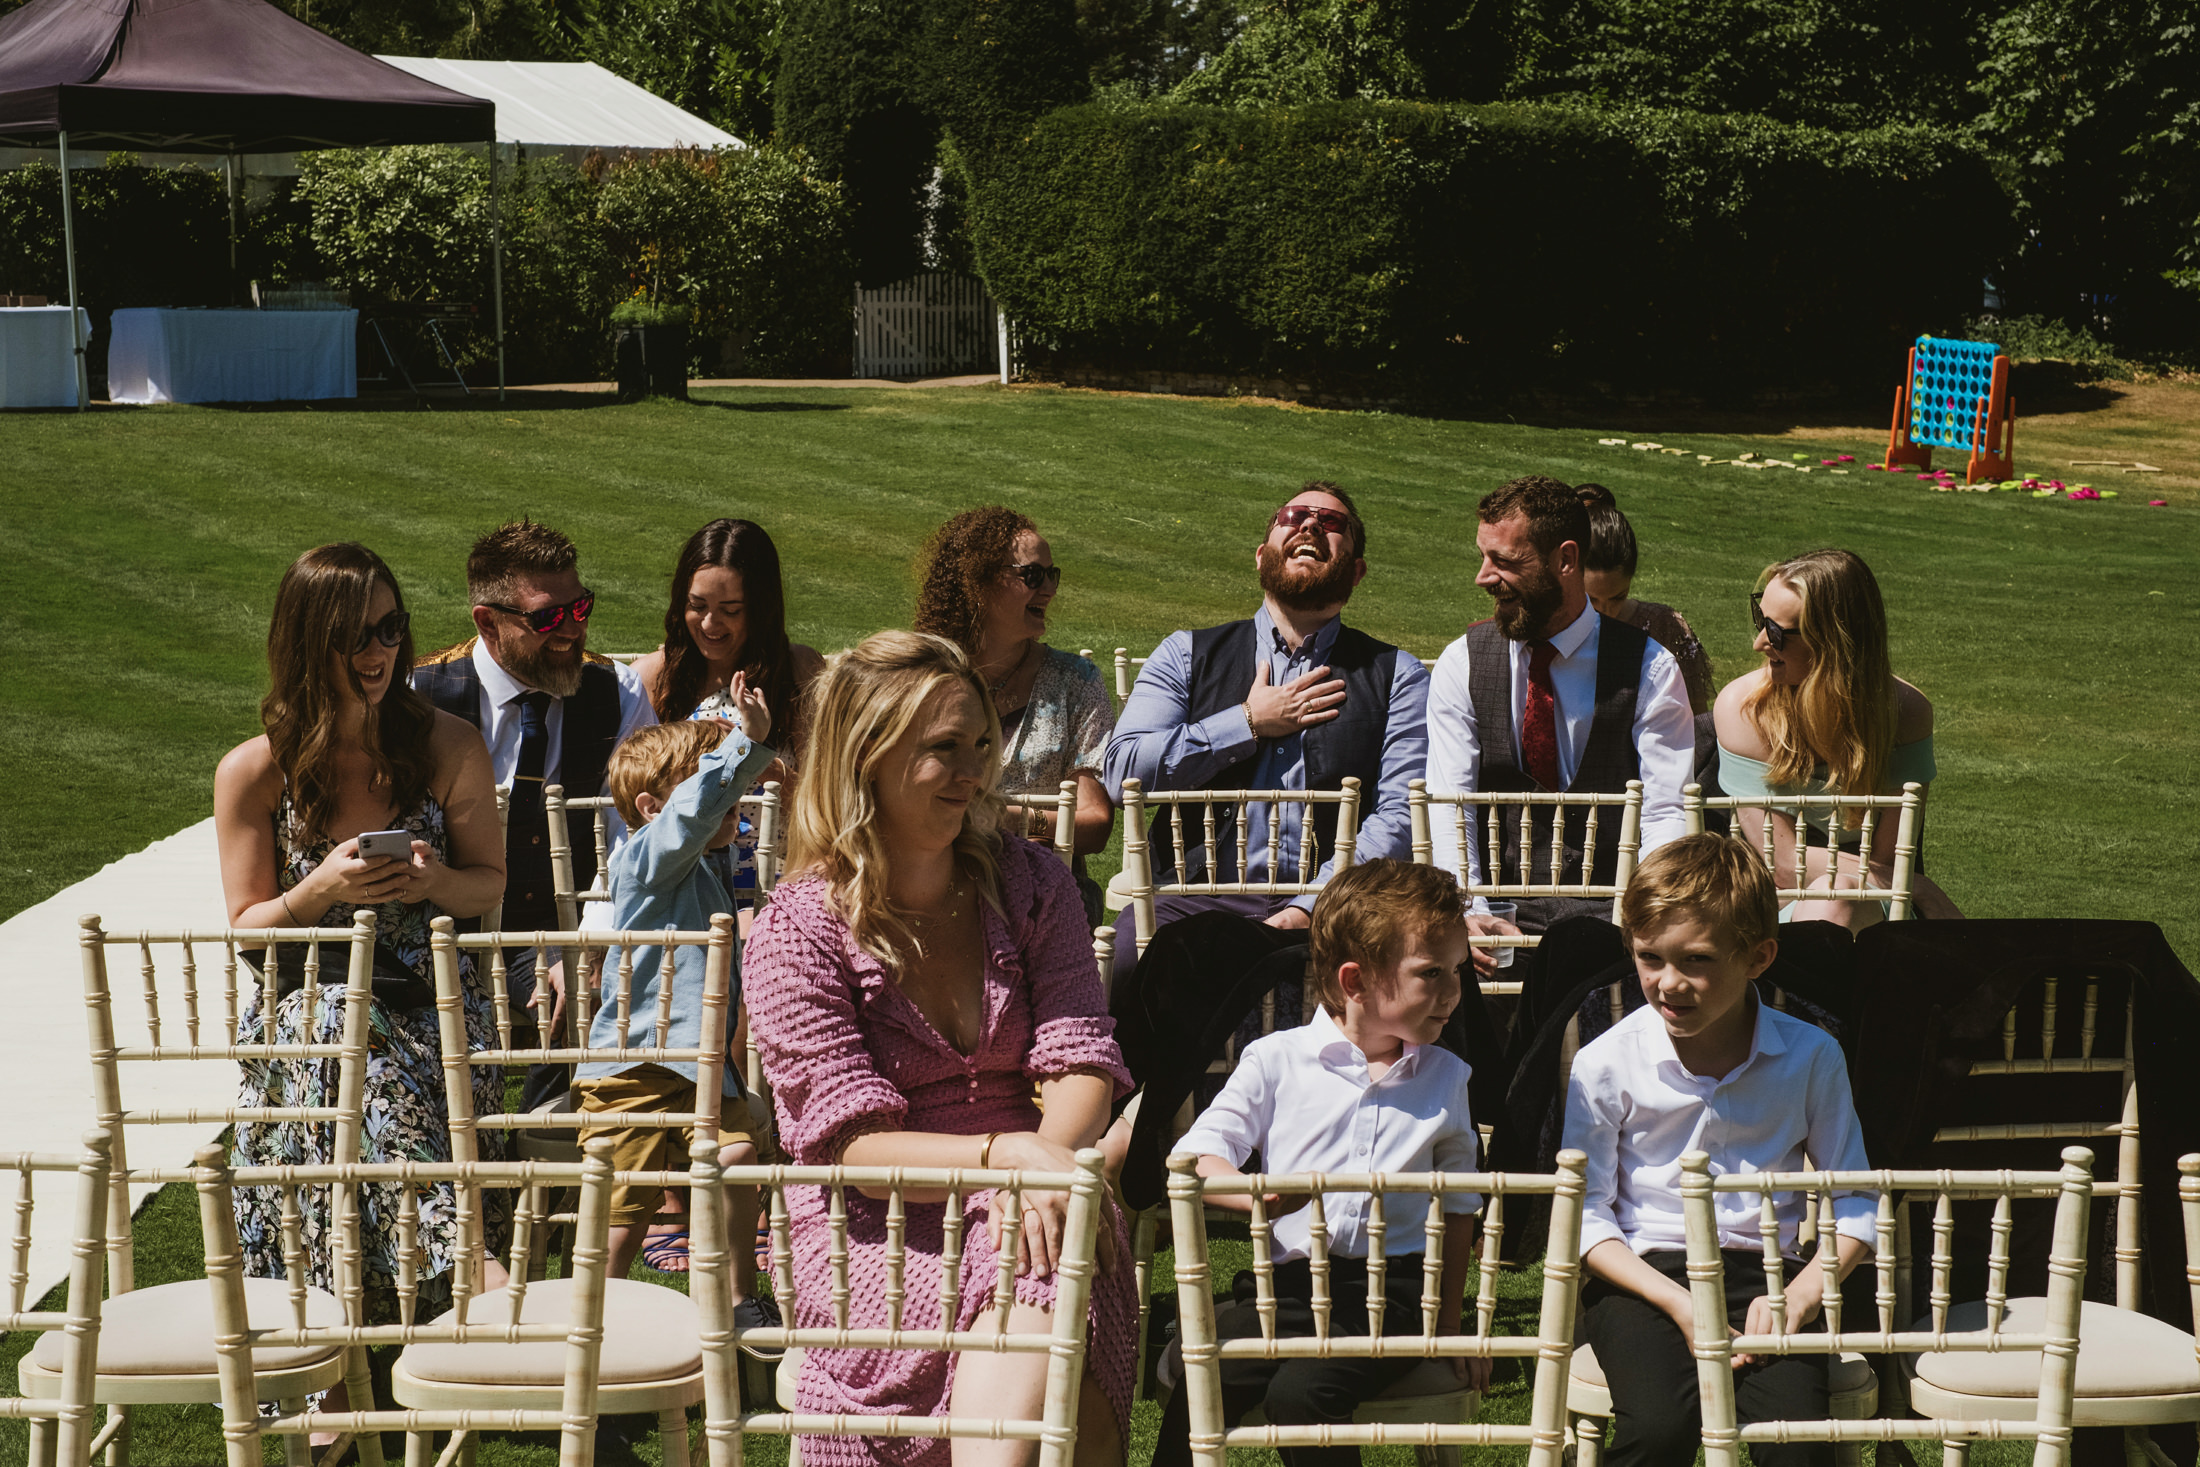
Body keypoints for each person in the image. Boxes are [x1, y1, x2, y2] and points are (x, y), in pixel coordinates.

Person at [743, 631, 1136, 1467]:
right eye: (943, 750)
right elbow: (847, 1143)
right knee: (1048, 1275)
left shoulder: (1034, 881)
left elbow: (1082, 1055)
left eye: (981, 745)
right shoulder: (798, 926)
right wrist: (1006, 1159)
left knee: (1051, 1262)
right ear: (868, 758)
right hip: (868, 1225)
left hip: (1043, 1182)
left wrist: (1039, 1165)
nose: (976, 772)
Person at [214, 544, 509, 1371]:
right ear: (310, 642)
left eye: (391, 627)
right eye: (357, 636)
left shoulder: (447, 744)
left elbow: (487, 886)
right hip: (302, 1015)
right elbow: (249, 928)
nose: (379, 652)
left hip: (436, 1018)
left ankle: (321, 1370)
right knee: (331, 1027)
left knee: (320, 1083)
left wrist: (431, 878)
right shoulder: (252, 771)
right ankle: (468, 1264)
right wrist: (323, 887)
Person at [1152, 859, 1488, 1467]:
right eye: (1431, 974)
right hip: (1285, 1288)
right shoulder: (1276, 1060)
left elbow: (1460, 1205)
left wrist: (1454, 1319)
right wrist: (1260, 1196)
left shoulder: (1447, 1078)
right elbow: (1194, 1160)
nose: (1453, 993)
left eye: (1457, 971)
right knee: (1211, 1378)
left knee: (1303, 1396)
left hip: (1397, 1295)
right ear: (1356, 981)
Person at [1562, 833, 1875, 1467]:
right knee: (1657, 1431)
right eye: (1649, 957)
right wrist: (1678, 1302)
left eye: (1697, 961)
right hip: (1644, 1279)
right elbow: (1584, 1216)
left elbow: (1857, 1198)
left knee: (1795, 1448)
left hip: (1769, 1280)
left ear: (1759, 957)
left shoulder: (1812, 1055)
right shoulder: (1605, 1063)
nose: (1668, 984)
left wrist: (1804, 1294)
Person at [1102, 481, 1430, 990]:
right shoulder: (1186, 654)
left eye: (1332, 523)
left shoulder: (1398, 675)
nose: (1310, 525)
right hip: (1195, 893)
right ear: (1261, 557)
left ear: (1358, 571)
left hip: (1340, 903)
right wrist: (1246, 722)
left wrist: (1313, 904)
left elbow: (1402, 814)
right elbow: (1122, 772)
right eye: (1294, 515)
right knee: (1125, 967)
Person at [412, 520, 656, 1102]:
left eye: (581, 607)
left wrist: (589, 940)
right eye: (548, 618)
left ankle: (532, 1153)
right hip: (434, 926)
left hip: (552, 929)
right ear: (487, 623)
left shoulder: (616, 691)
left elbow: (633, 831)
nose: (572, 630)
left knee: (588, 988)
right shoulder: (416, 698)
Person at [1425, 475, 1694, 958]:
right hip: (1495, 917)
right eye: (1483, 557)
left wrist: (1647, 917)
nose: (1483, 577)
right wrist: (1469, 909)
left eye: (1504, 561)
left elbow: (1664, 812)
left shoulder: (1651, 669)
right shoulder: (1462, 662)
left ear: (1566, 560)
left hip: (1611, 919)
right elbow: (1450, 802)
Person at [579, 709, 780, 1327]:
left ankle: (736, 1298)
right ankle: (593, 1324)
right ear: (649, 808)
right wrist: (745, 743)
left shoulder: (701, 874)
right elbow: (692, 814)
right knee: (623, 1207)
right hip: (634, 1064)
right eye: (717, 792)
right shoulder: (645, 861)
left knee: (739, 1158)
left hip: (703, 1068)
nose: (732, 806)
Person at [1712, 548, 1956, 928]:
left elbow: (1890, 858)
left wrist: (1908, 885)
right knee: (1834, 900)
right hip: (1775, 916)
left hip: (1878, 907)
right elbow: (1783, 865)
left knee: (1838, 898)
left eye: (1776, 632)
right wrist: (1923, 889)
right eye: (1761, 618)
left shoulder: (1905, 714)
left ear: (1832, 645)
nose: (1759, 643)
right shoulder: (1743, 711)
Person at [914, 506, 1116, 919]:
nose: (1050, 590)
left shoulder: (1074, 681)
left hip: (1046, 891)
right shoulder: (920, 677)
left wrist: (1003, 818)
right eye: (1033, 576)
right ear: (979, 583)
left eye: (1052, 575)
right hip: (931, 883)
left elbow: (1095, 821)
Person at [1576, 484, 1715, 715]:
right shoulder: (1550, 627)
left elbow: (1695, 722)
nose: (1606, 611)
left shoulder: (1666, 627)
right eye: (1592, 599)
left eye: (1618, 596)